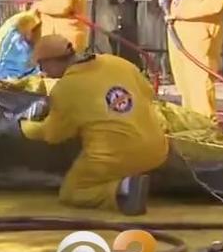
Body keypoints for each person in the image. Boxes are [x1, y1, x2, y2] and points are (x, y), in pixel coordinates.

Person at [19, 35, 168, 215]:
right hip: (158, 148)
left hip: (113, 155)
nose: (42, 72)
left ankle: (124, 188)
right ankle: (131, 178)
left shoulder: (66, 88)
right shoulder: (118, 63)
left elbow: (54, 134)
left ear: (51, 62)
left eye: (42, 66)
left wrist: (25, 126)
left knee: (73, 192)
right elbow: (148, 94)